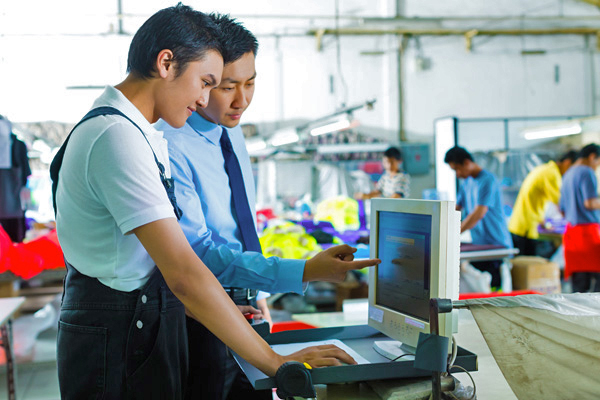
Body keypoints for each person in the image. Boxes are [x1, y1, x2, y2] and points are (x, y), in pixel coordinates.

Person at [51, 5, 379, 399]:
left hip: (143, 321)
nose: (205, 98)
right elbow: (186, 272)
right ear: (166, 63)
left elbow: (143, 261)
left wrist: (202, 310)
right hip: (118, 336)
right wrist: (277, 363)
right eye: (208, 82)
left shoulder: (137, 133)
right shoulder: (115, 137)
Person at [158, 14, 377, 400]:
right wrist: (305, 270)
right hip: (201, 315)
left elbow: (242, 226)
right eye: (227, 86)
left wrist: (257, 292)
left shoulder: (234, 132)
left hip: (246, 308)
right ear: (202, 80)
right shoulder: (171, 145)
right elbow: (199, 255)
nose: (242, 99)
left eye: (251, 82)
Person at [444, 146, 512, 288]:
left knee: (494, 292)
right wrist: (444, 227)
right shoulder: (466, 183)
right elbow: (456, 209)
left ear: (467, 162)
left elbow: (478, 213)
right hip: (479, 245)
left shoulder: (488, 180)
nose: (457, 174)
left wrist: (454, 234)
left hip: (496, 244)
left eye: (457, 169)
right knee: (480, 288)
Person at [509, 150, 577, 257]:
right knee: (527, 267)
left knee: (525, 266)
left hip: (521, 224)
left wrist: (542, 222)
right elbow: (562, 205)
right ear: (567, 162)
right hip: (525, 227)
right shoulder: (552, 174)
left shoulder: (545, 169)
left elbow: (535, 200)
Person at [559, 143, 600, 293]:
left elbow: (562, 210)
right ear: (592, 157)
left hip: (571, 234)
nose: (596, 167)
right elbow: (589, 202)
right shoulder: (587, 172)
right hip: (587, 234)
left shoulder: (567, 174)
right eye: (597, 163)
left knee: (578, 289)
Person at [0, 115, 31, 242]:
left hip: (14, 204)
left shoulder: (18, 146)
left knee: (13, 239)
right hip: (13, 205)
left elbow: (25, 178)